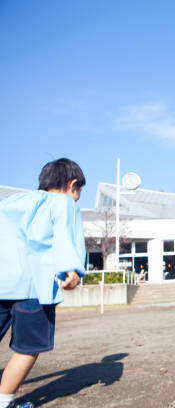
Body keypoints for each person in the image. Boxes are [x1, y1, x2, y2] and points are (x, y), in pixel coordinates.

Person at [0, 158, 87, 408]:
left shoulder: (12, 202)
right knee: (28, 346)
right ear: (72, 185)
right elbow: (63, 234)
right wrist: (71, 268)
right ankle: (4, 402)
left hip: (2, 283)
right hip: (33, 288)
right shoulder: (63, 202)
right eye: (79, 192)